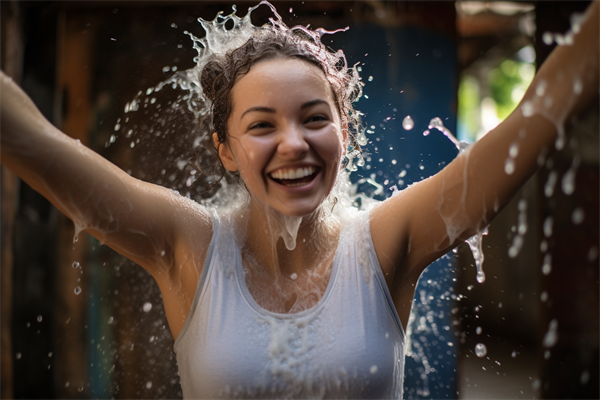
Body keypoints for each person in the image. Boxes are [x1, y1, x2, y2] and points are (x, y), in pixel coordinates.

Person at [1, 0, 599, 398]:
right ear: (225, 149)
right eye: (261, 126)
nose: (294, 144)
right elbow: (32, 141)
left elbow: (537, 118)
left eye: (315, 119)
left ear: (344, 133)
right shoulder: (187, 244)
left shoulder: (385, 241)